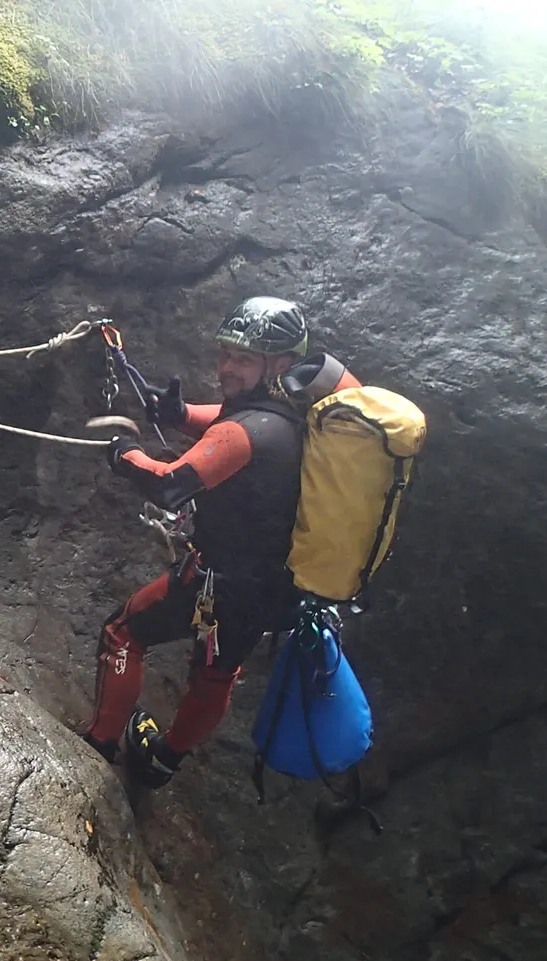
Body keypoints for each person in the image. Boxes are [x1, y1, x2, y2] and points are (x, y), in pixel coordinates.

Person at [80, 297, 359, 787]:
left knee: (123, 632)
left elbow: (169, 482)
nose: (226, 366)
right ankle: (165, 761)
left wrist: (125, 453)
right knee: (216, 673)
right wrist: (181, 412)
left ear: (280, 365)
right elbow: (239, 425)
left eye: (243, 359)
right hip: (274, 592)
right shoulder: (301, 411)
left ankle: (98, 746)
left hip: (216, 584)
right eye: (226, 352)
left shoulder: (249, 430)